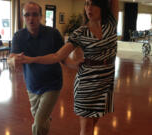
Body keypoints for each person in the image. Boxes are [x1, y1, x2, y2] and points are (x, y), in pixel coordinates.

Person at [14, 0, 119, 135]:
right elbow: (57, 56)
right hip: (86, 82)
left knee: (93, 122)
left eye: (93, 4)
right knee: (86, 127)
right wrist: (32, 59)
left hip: (106, 82)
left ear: (102, 5)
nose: (89, 8)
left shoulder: (111, 23)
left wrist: (73, 64)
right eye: (86, 4)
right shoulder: (80, 33)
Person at [7, 1, 64, 135]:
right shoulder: (19, 36)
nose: (30, 18)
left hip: (52, 84)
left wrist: (76, 63)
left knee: (38, 123)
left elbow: (63, 56)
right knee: (42, 119)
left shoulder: (53, 34)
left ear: (41, 16)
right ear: (22, 17)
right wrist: (13, 61)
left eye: (34, 15)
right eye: (27, 15)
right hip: (32, 86)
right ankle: (46, 118)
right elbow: (11, 58)